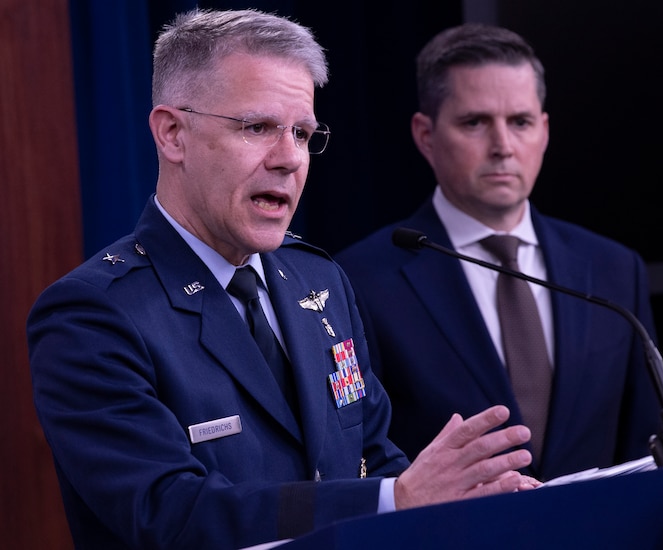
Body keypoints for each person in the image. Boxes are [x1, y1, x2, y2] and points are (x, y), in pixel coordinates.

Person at [26, 10, 539, 550]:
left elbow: (372, 454)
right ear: (173, 134)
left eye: (302, 134)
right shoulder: (93, 316)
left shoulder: (318, 280)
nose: (290, 158)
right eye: (258, 127)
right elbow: (170, 516)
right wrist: (397, 499)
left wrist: (458, 501)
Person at [335, 23, 662, 482]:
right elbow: (360, 462)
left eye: (520, 122)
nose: (503, 147)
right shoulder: (360, 279)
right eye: (475, 122)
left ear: (544, 131)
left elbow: (646, 447)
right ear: (425, 135)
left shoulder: (613, 269)